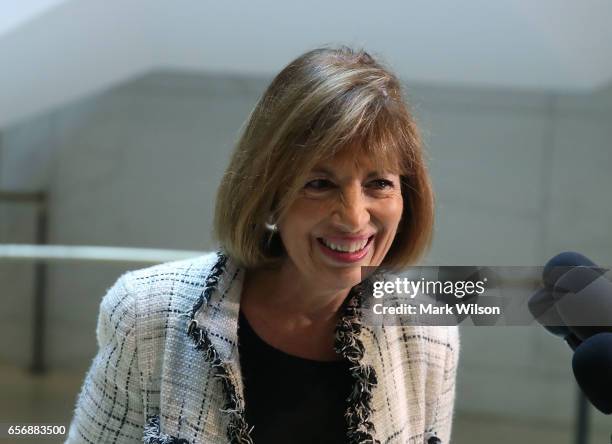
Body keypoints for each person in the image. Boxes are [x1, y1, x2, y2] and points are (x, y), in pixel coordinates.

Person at [66, 46, 459, 444]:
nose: (355, 217)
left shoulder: (429, 331)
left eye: (379, 184)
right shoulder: (146, 313)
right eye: (319, 184)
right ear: (269, 193)